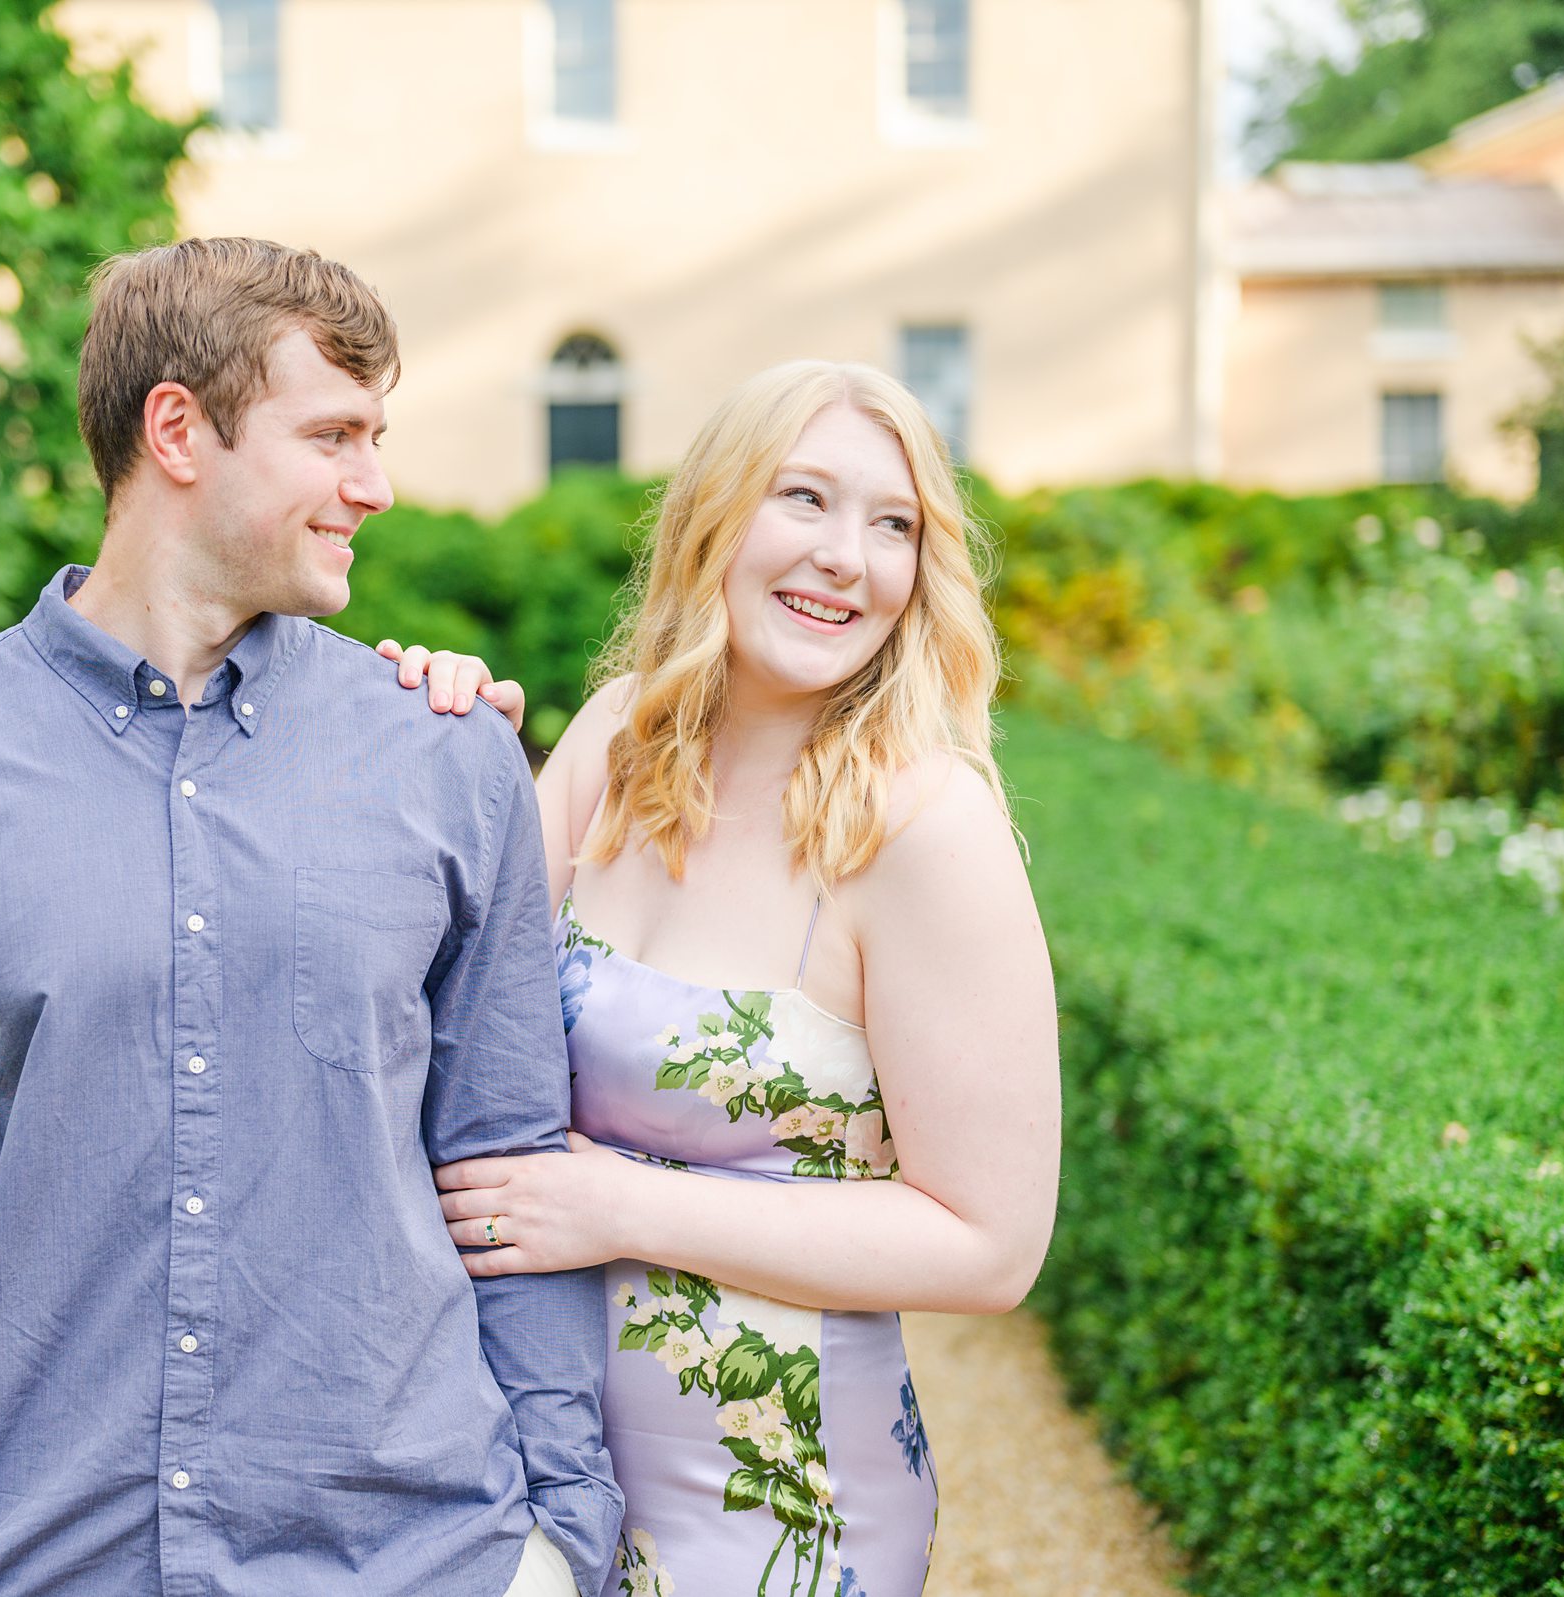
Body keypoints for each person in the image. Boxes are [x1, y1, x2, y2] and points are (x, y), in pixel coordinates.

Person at [0, 237, 620, 1597]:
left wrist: (558, 1544)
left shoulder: (447, 757)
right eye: (333, 435)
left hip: (413, 1559)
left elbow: (508, 1165)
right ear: (176, 428)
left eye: (379, 436)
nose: (377, 484)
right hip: (43, 1562)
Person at [383, 360, 1060, 1596]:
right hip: (525, 1476)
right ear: (713, 516)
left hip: (774, 1512)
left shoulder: (923, 827)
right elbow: (428, 1017)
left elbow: (991, 1244)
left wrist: (623, 1208)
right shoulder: (614, 739)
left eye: (894, 523)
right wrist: (425, 752)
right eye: (804, 498)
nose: (847, 555)